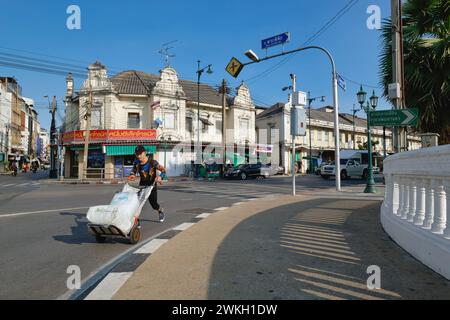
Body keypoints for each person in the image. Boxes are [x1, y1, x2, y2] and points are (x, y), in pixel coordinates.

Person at [128, 146, 167, 222]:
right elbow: (133, 170)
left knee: (154, 204)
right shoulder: (137, 162)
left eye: (140, 154)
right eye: (136, 154)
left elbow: (163, 170)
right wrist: (132, 175)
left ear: (144, 153)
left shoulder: (153, 162)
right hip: (142, 185)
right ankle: (135, 222)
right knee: (137, 203)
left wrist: (160, 177)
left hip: (151, 186)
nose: (138, 156)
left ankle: (160, 210)